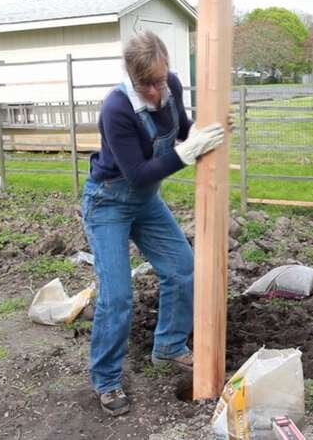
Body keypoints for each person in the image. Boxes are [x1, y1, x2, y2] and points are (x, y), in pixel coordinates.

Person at [81, 30, 225, 416]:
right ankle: (107, 381)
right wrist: (187, 152)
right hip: (109, 202)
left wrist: (195, 133)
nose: (156, 90)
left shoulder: (171, 84)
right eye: (148, 84)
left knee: (181, 268)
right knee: (117, 296)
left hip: (146, 204)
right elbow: (139, 173)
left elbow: (180, 127)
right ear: (132, 75)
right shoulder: (116, 109)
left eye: (161, 80)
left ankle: (170, 345)